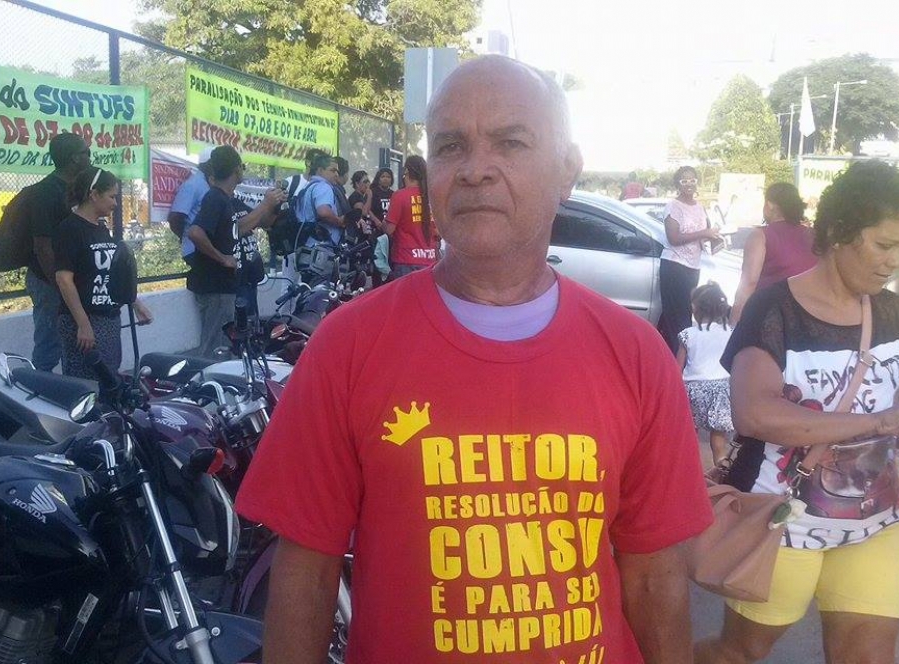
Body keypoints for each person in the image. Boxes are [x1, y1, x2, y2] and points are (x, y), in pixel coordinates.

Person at [236, 54, 712, 664]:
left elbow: (653, 578)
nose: (475, 169)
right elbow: (305, 571)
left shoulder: (636, 354)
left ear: (567, 170)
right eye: (451, 146)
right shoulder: (347, 347)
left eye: (510, 142)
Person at [696, 161, 899, 664]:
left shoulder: (891, 312)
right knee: (740, 651)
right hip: (782, 520)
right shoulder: (774, 310)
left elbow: (885, 397)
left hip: (877, 519)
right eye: (884, 245)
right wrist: (875, 422)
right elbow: (754, 414)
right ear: (837, 233)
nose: (895, 262)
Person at [54, 167, 153, 379]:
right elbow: (64, 279)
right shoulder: (70, 229)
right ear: (94, 194)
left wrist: (135, 303)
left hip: (108, 318)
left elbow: (111, 274)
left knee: (109, 380)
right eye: (111, 196)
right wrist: (83, 324)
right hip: (84, 320)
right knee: (85, 383)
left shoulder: (100, 228)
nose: (115, 203)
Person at [186, 146, 284, 357]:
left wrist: (273, 205)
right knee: (216, 346)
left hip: (228, 285)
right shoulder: (215, 198)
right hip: (215, 286)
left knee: (228, 345)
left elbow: (249, 225)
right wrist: (222, 258)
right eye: (242, 167)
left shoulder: (227, 200)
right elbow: (195, 232)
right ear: (237, 169)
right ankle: (209, 378)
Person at [24, 133, 92, 371]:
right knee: (49, 346)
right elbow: (42, 246)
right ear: (75, 159)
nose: (90, 157)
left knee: (73, 341)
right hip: (49, 280)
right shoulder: (45, 193)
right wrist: (60, 286)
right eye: (87, 152)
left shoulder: (78, 190)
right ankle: (38, 388)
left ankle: (70, 390)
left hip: (70, 281)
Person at [730, 182, 816, 325]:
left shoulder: (761, 235)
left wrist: (735, 320)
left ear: (769, 205)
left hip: (772, 316)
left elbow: (749, 282)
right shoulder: (812, 235)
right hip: (810, 315)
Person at [657, 165, 720, 354]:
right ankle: (678, 360)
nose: (689, 183)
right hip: (674, 266)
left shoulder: (700, 207)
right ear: (678, 184)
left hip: (693, 267)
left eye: (692, 179)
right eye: (684, 180)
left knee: (682, 314)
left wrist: (713, 239)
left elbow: (702, 236)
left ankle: (670, 355)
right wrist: (704, 233)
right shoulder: (673, 206)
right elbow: (673, 238)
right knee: (678, 318)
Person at [677, 282, 734, 464]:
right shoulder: (730, 332)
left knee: (689, 434)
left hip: (693, 390)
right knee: (718, 440)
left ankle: (689, 468)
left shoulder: (688, 334)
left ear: (696, 309)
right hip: (722, 390)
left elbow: (677, 368)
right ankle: (720, 469)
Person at [385, 155, 439, 279]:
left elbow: (389, 229)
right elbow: (439, 231)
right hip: (430, 260)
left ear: (407, 172)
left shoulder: (400, 196)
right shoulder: (433, 197)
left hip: (406, 260)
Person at [168, 146, 213, 264]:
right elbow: (175, 217)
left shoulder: (207, 183)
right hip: (195, 250)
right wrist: (186, 236)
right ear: (209, 164)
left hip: (207, 250)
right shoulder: (193, 185)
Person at [297, 153, 345, 247]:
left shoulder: (308, 187)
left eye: (337, 171)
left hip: (307, 245)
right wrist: (340, 221)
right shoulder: (323, 186)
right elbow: (324, 212)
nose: (336, 174)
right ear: (320, 170)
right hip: (321, 248)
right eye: (333, 170)